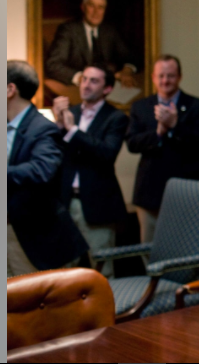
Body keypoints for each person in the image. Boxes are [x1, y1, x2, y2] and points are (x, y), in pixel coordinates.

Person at [7, 60, 88, 276]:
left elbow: (41, 170)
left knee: (32, 296)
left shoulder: (43, 128)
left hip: (31, 236)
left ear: (10, 90)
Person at [51, 64, 129, 277]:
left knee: (102, 270)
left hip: (98, 204)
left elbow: (107, 153)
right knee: (63, 269)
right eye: (84, 79)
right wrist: (59, 126)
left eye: (94, 81)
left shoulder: (116, 117)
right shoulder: (71, 113)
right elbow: (55, 154)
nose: (86, 85)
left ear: (107, 88)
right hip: (67, 201)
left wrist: (72, 130)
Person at [126, 55, 199, 243]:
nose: (165, 81)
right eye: (161, 76)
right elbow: (132, 143)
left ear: (179, 77)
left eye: (170, 76)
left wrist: (174, 125)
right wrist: (158, 133)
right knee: (151, 248)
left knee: (187, 245)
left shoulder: (197, 106)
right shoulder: (140, 107)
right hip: (149, 192)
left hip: (188, 189)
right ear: (153, 78)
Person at [45, 0, 138, 95]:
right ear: (83, 7)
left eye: (100, 7)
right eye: (91, 6)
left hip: (106, 88)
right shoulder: (68, 30)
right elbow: (53, 65)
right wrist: (82, 78)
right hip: (78, 90)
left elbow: (129, 56)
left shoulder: (109, 30)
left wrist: (126, 71)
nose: (96, 12)